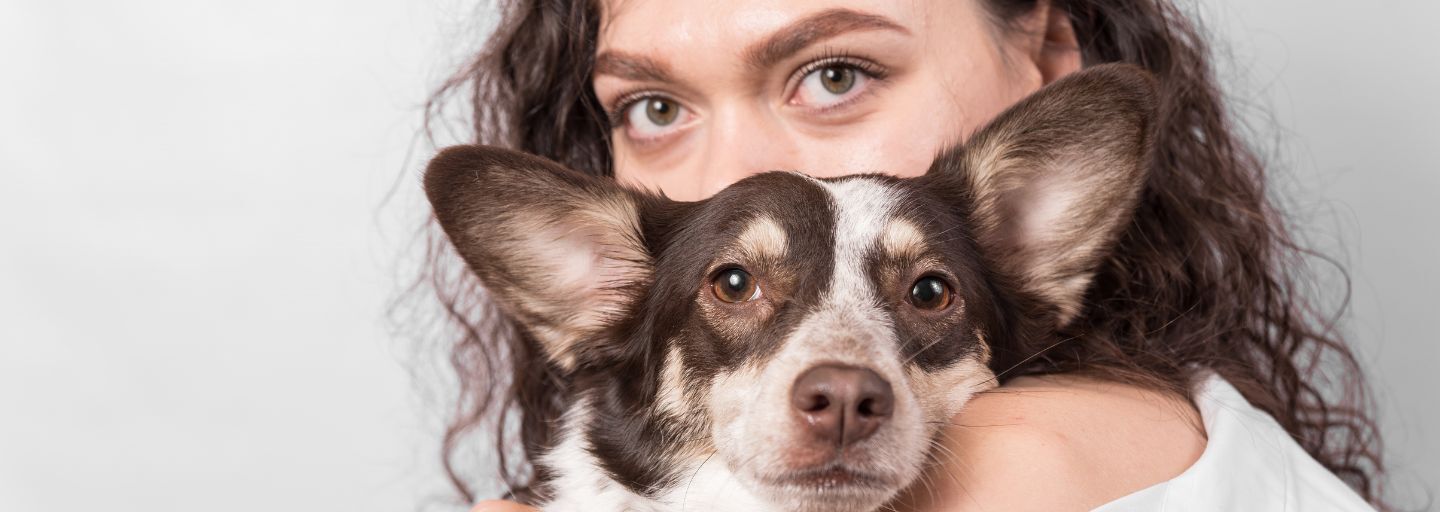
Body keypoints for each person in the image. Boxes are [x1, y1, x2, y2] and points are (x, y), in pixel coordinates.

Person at [413, 0, 1387, 510]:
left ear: (1045, 53)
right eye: (656, 107)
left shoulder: (1031, 461)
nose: (746, 170)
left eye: (837, 72)